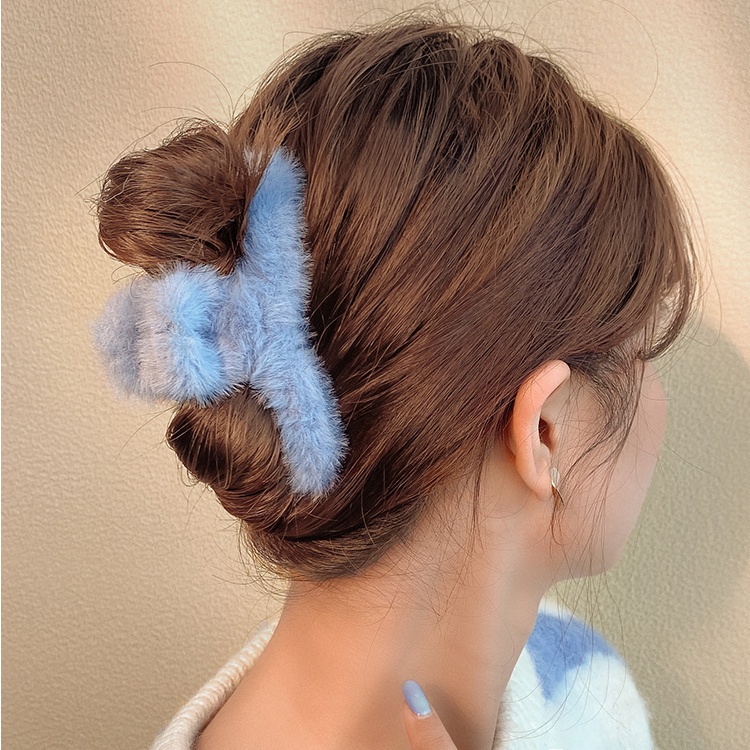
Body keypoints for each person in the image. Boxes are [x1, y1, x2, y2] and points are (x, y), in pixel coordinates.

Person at [90, 11, 700, 750]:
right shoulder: (584, 693)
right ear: (548, 428)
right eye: (643, 352)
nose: (658, 398)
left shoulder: (583, 682)